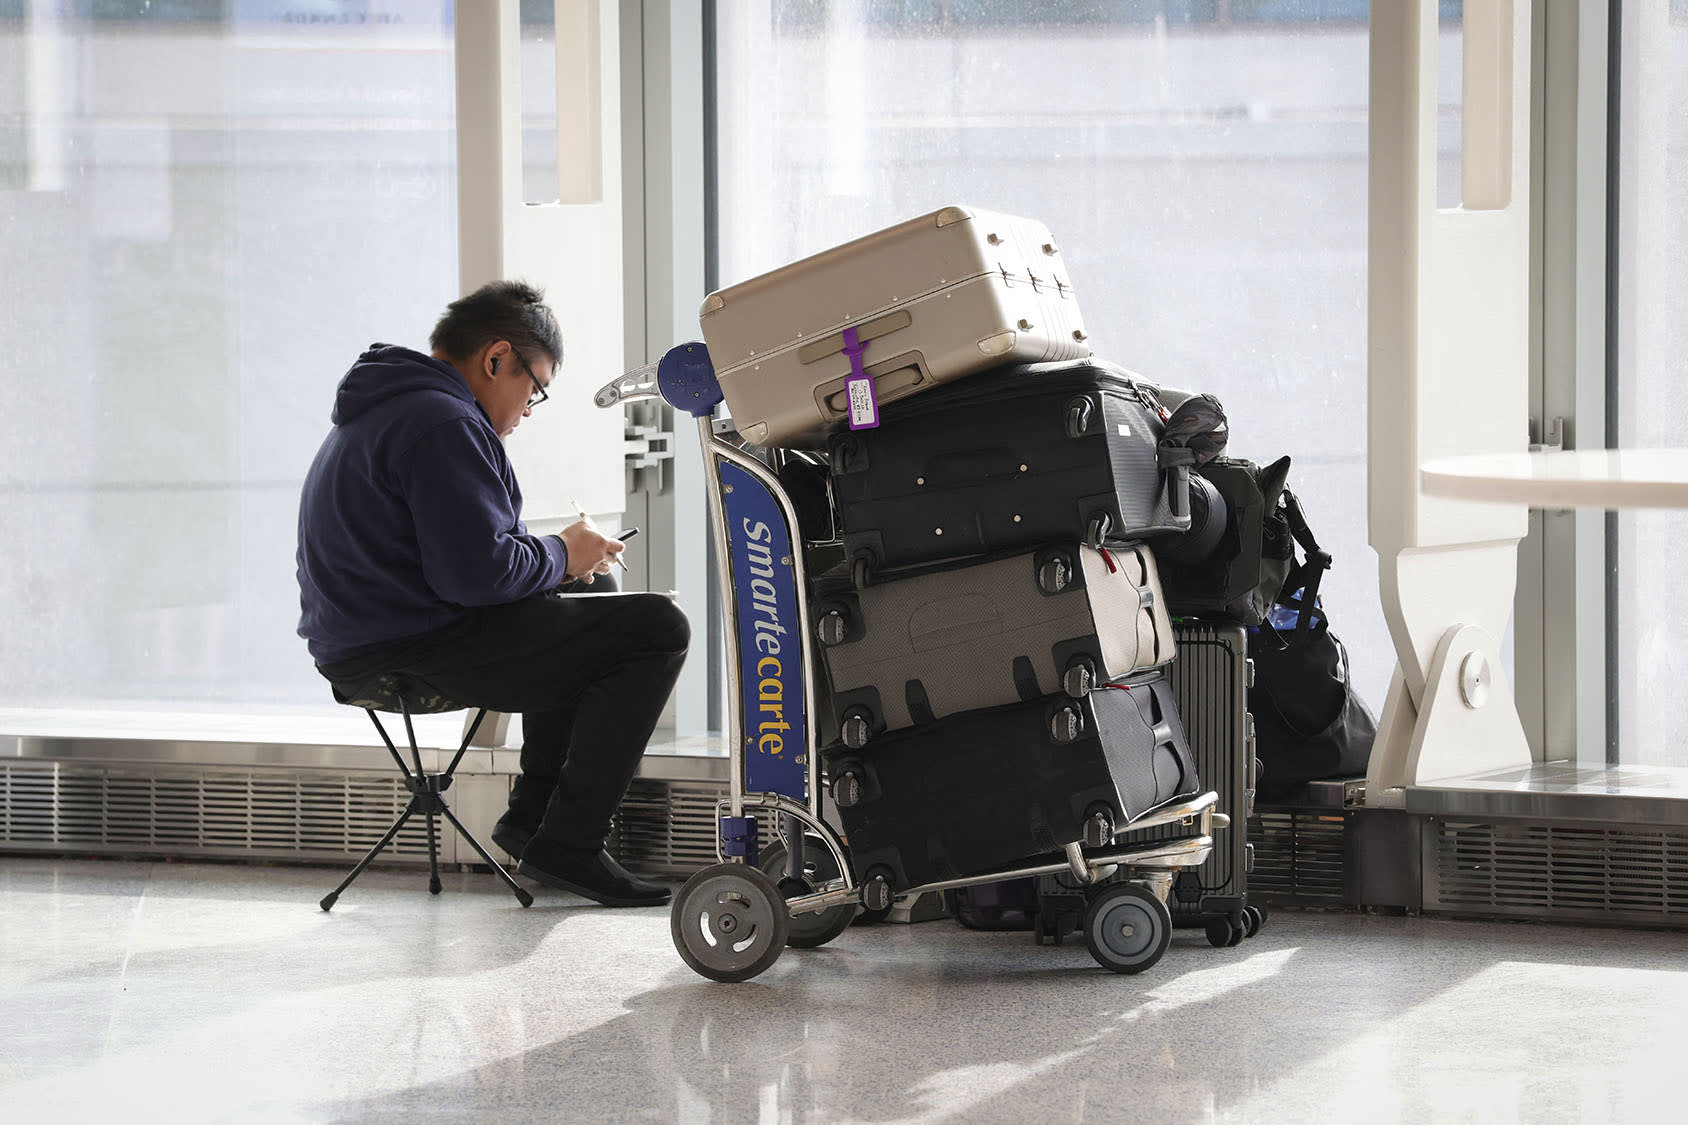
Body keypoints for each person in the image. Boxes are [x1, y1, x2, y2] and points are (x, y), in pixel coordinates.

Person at [295, 280, 689, 907]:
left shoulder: (393, 408)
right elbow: (473, 576)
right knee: (659, 628)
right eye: (534, 389)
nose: (529, 409)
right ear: (497, 358)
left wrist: (566, 563)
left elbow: (455, 557)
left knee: (597, 589)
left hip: (371, 635)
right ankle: (569, 840)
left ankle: (535, 822)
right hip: (406, 643)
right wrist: (560, 552)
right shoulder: (442, 421)